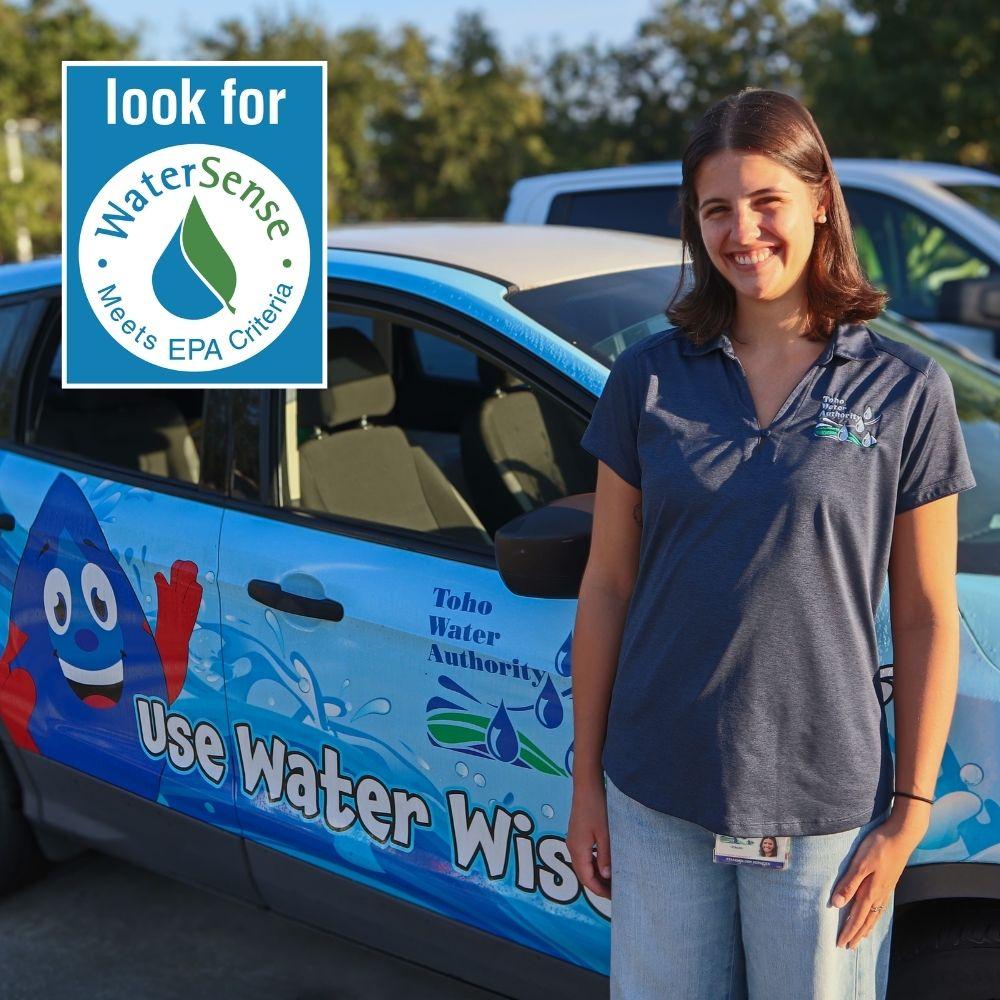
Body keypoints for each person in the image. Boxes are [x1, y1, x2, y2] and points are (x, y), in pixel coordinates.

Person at [567, 87, 977, 1000]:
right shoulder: (647, 378)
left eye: (765, 202)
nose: (742, 232)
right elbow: (605, 586)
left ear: (820, 198)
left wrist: (909, 814)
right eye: (717, 209)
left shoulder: (906, 388)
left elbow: (924, 613)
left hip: (825, 807)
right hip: (656, 790)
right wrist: (587, 784)